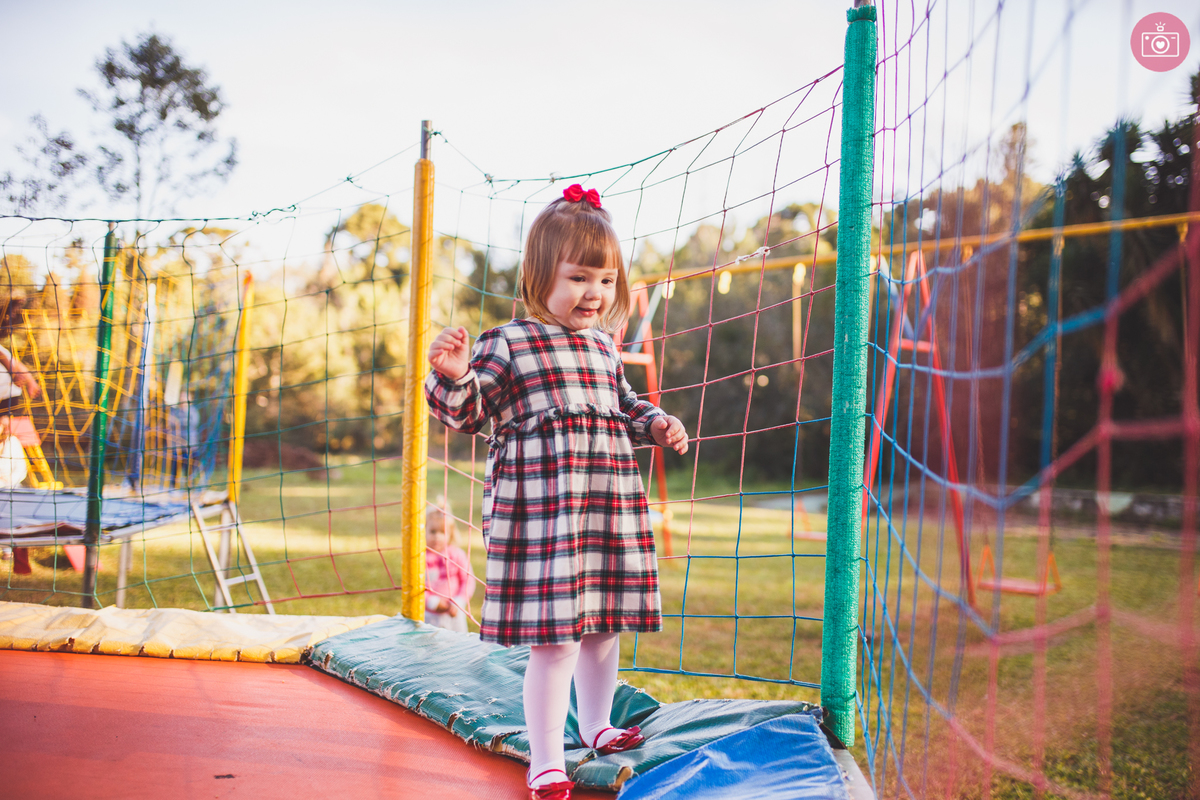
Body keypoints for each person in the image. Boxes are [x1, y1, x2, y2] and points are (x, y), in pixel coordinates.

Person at [425, 185, 689, 800]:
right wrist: (455, 376)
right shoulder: (507, 343)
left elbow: (621, 405)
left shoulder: (603, 346)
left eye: (604, 279)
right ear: (540, 276)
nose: (594, 293)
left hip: (605, 507)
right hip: (544, 516)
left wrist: (653, 422)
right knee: (557, 639)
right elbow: (467, 411)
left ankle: (596, 726)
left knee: (604, 627)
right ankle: (545, 757)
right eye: (578, 278)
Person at [424, 496, 475, 633]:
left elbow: (468, 581)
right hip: (429, 616)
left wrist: (458, 602)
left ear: (450, 533)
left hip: (453, 614)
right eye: (433, 531)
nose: (437, 537)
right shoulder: (420, 558)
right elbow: (416, 586)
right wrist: (432, 602)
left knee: (456, 647)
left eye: (442, 532)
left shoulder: (456, 555)